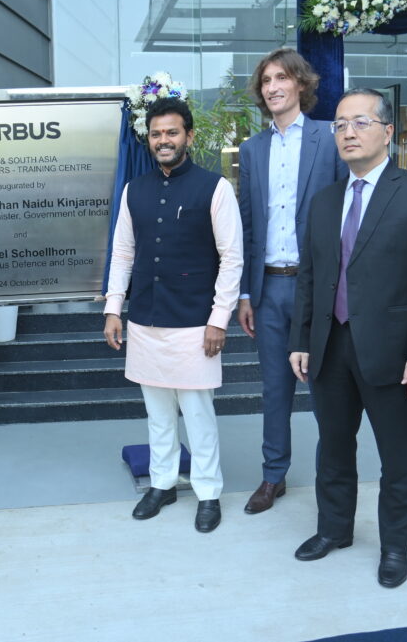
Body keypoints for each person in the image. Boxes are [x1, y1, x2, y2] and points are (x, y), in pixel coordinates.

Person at [289, 88, 407, 587]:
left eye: (359, 122)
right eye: (339, 125)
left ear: (388, 132)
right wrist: (301, 339)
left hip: (393, 351)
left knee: (399, 455)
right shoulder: (323, 201)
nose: (347, 132)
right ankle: (334, 529)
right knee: (333, 447)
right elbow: (310, 277)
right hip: (330, 347)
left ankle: (395, 547)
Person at [103, 97, 243, 533]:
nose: (164, 140)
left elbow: (232, 257)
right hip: (145, 317)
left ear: (189, 136)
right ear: (149, 139)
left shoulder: (214, 188)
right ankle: (161, 484)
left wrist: (219, 319)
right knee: (158, 413)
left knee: (198, 414)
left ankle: (207, 492)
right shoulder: (134, 190)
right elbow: (123, 252)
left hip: (195, 322)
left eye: (172, 132)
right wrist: (113, 308)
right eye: (157, 133)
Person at [236, 48, 347, 515]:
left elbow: (348, 214)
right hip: (268, 289)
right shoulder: (251, 149)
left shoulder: (330, 137)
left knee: (326, 389)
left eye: (282, 77)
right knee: (275, 388)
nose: (273, 87)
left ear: (300, 84)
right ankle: (272, 476)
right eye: (266, 81)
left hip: (319, 288)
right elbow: (246, 224)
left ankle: (334, 478)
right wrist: (244, 291)